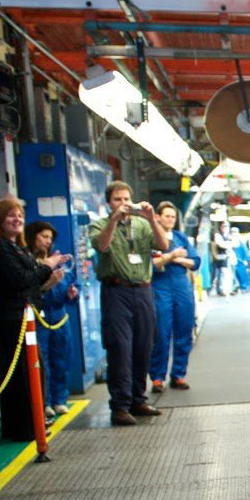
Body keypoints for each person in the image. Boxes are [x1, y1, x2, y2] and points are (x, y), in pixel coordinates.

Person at [89, 180, 168, 428]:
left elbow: (164, 245)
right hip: (116, 291)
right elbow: (101, 245)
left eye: (126, 199)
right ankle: (120, 406)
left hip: (143, 291)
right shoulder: (100, 225)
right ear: (109, 203)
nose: (122, 204)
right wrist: (113, 221)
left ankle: (138, 399)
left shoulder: (143, 225)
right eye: (117, 200)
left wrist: (152, 218)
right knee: (120, 348)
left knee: (143, 346)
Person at [0, 198, 65, 442]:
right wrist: (48, 266)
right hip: (12, 319)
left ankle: (34, 420)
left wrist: (46, 280)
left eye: (20, 215)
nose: (17, 219)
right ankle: (23, 427)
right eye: (11, 215)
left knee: (32, 371)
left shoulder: (16, 247)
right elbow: (20, 279)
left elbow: (31, 280)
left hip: (26, 317)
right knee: (20, 375)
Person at [27, 221, 78, 415]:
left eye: (50, 238)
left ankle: (60, 399)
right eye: (43, 236)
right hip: (39, 319)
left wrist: (71, 294)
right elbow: (32, 290)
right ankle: (44, 402)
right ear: (33, 237)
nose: (47, 241)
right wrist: (48, 284)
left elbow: (70, 285)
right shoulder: (30, 262)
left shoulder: (57, 261)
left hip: (59, 318)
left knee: (61, 360)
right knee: (42, 361)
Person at [149, 202, 197, 394]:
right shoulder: (152, 238)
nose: (169, 219)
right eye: (166, 216)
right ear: (158, 217)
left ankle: (178, 375)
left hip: (181, 286)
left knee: (184, 330)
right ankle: (158, 377)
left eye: (172, 217)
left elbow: (194, 262)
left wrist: (172, 258)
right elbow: (151, 264)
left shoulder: (180, 237)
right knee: (161, 333)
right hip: (160, 286)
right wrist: (174, 256)